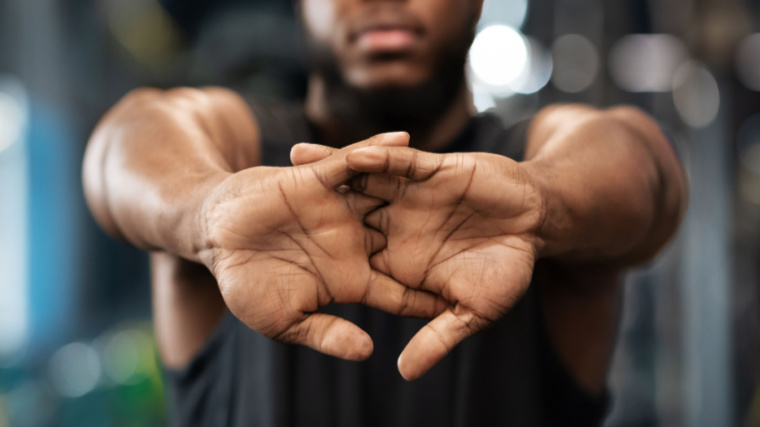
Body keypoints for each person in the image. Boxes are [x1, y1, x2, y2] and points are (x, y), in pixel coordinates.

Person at [82, 0, 687, 425]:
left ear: (477, 3)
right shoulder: (233, 163)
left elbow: (645, 169)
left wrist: (545, 202)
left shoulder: (532, 175)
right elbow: (126, 141)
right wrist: (204, 215)